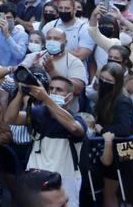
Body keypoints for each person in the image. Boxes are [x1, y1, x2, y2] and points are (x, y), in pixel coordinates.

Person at [7, 74, 88, 207]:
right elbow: (10, 119)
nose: (53, 92)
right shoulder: (39, 113)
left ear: (69, 96)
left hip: (65, 180)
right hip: (36, 177)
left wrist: (46, 99)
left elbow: (74, 128)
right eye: (51, 88)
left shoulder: (76, 120)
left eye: (59, 89)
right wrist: (20, 94)